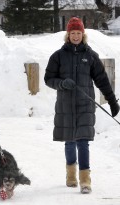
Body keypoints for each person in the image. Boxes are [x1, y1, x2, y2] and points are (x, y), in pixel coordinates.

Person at [44, 17, 120, 194]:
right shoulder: (58, 56)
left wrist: (112, 101)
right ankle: (71, 175)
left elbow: (102, 80)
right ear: (68, 35)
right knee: (70, 141)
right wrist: (62, 83)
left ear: (83, 34)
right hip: (65, 105)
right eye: (73, 33)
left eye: (79, 33)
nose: (76, 36)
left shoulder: (90, 56)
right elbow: (48, 79)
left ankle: (85, 179)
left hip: (85, 104)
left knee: (83, 141)